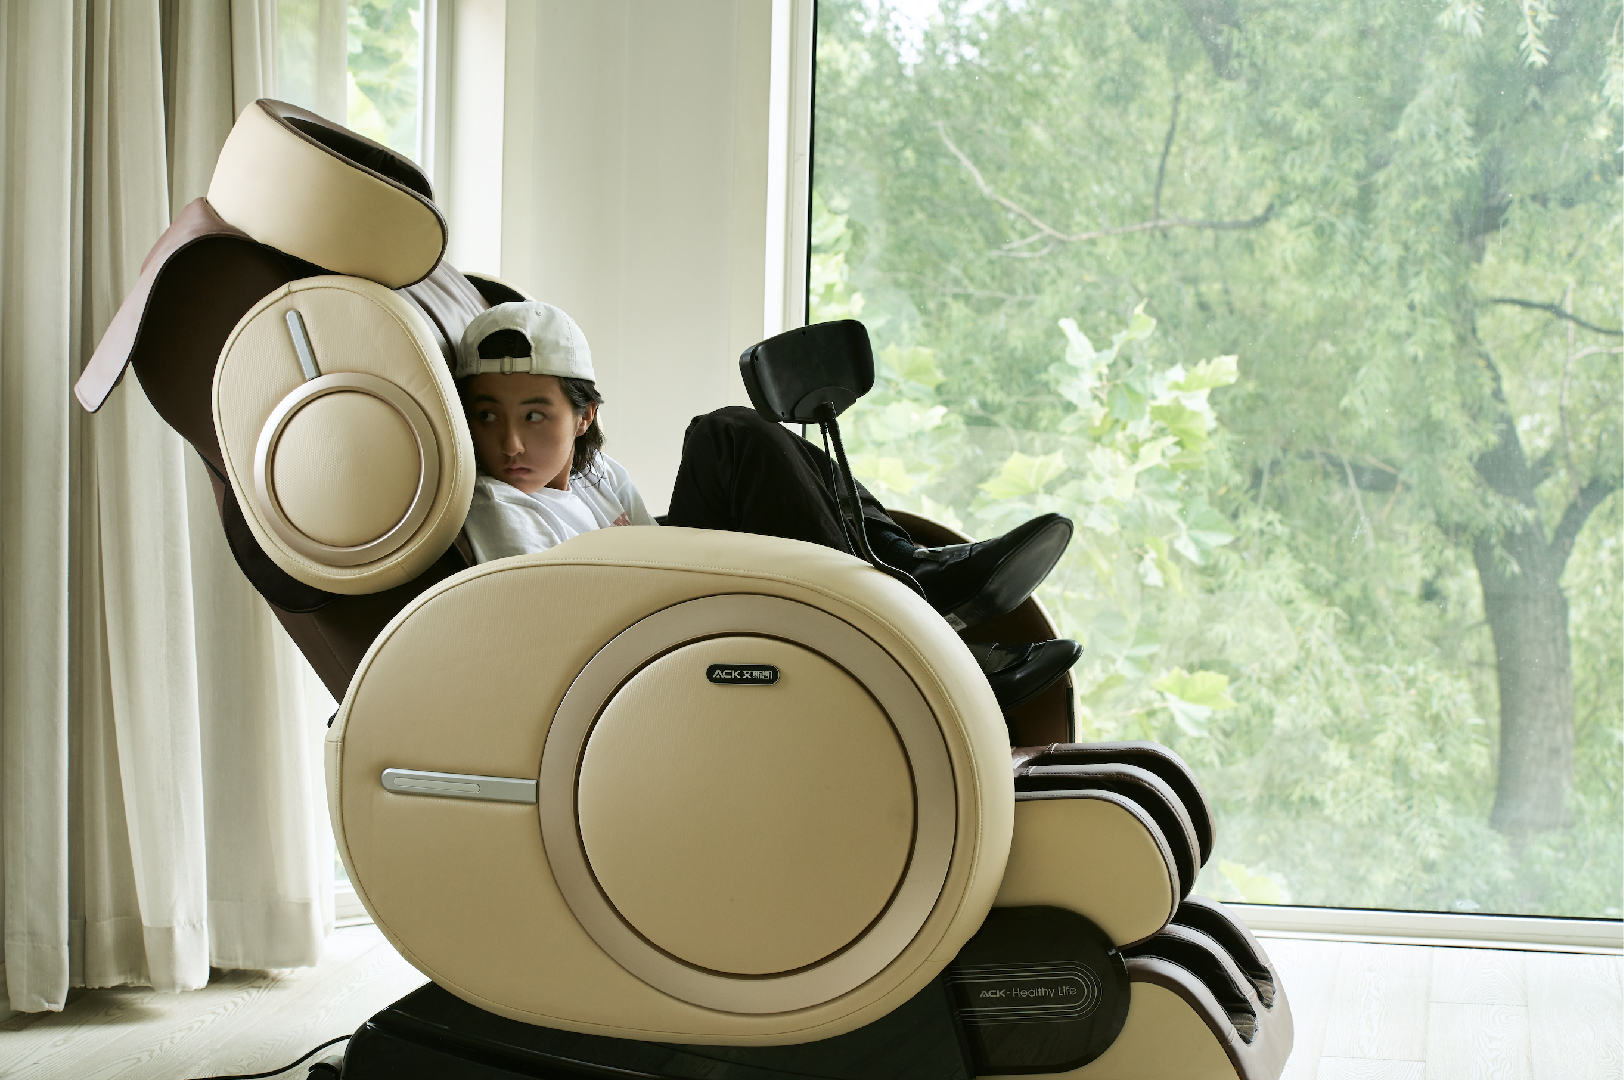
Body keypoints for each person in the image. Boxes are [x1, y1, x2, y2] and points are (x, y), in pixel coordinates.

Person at [456, 300, 1081, 711]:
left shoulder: (598, 477)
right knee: (725, 435)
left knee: (729, 438)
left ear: (584, 414)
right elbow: (551, 630)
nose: (509, 444)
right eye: (485, 417)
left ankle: (911, 566)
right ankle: (926, 632)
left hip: (668, 604)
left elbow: (655, 548)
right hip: (651, 653)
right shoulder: (496, 504)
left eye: (535, 416)